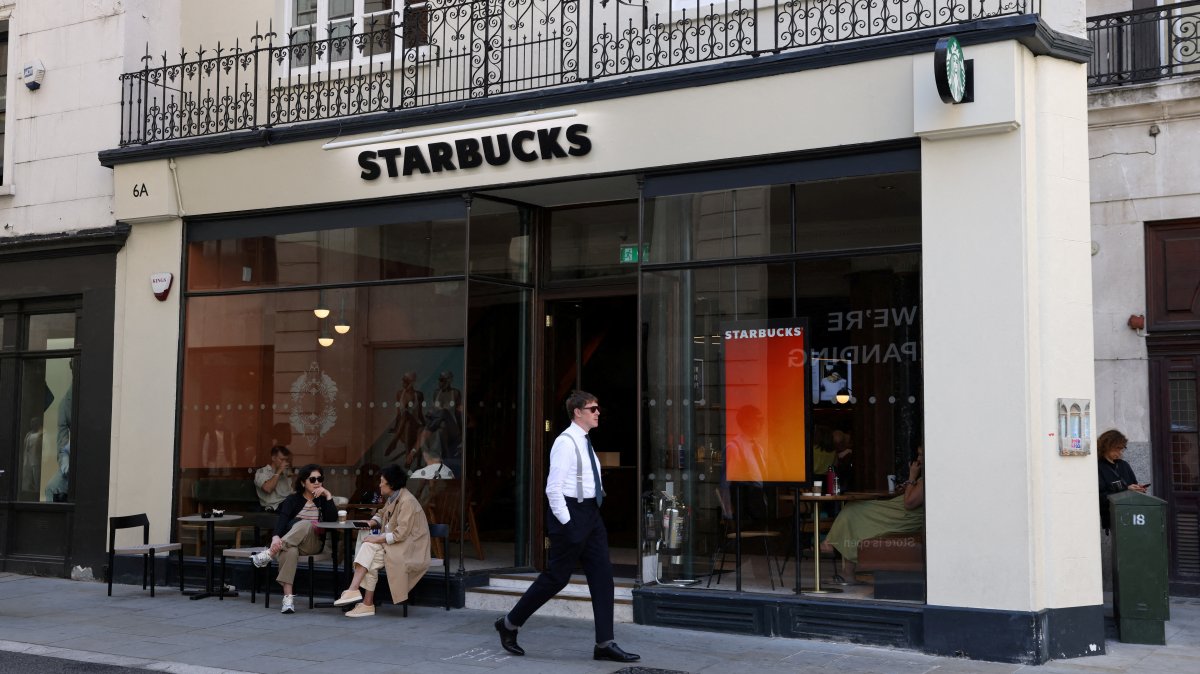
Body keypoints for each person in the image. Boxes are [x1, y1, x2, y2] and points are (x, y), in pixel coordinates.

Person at [494, 390, 639, 663]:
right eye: (593, 408)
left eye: (598, 408)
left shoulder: (584, 441)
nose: (598, 413)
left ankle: (604, 643)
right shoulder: (565, 442)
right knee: (556, 579)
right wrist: (569, 523)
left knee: (603, 578)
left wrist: (589, 517)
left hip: (590, 515)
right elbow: (553, 489)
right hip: (571, 514)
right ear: (578, 412)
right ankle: (510, 624)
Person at [331, 464, 430, 617]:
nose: (379, 484)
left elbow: (400, 534)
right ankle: (362, 599)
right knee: (369, 552)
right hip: (397, 545)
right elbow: (382, 513)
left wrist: (377, 538)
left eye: (382, 481)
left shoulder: (407, 501)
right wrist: (371, 522)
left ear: (391, 484)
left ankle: (358, 596)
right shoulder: (394, 497)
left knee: (370, 549)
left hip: (410, 549)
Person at [251, 464, 339, 614]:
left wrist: (329, 496)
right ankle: (288, 599)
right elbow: (282, 520)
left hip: (313, 543)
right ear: (303, 483)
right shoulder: (292, 500)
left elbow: (332, 522)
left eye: (320, 479)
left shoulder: (323, 501)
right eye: (312, 479)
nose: (317, 482)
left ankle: (269, 554)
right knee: (290, 551)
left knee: (305, 524)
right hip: (292, 543)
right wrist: (275, 537)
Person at [820, 445, 925, 567]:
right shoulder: (923, 478)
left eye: (922, 455)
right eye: (918, 454)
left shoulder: (928, 479)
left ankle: (829, 544)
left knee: (853, 510)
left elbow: (909, 503)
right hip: (897, 510)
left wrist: (912, 477)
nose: (918, 458)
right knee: (852, 509)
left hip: (902, 516)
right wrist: (908, 486)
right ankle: (832, 547)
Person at [1097, 429, 1146, 533]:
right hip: (1113, 517)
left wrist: (1138, 489)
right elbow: (1100, 497)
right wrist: (1126, 489)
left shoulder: (1124, 465)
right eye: (1117, 449)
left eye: (1122, 449)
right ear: (1106, 447)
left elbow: (1133, 483)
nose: (1120, 452)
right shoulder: (1098, 467)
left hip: (1132, 515)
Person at [253, 445, 294, 511]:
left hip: (288, 502)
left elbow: (292, 490)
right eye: (282, 459)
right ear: (273, 458)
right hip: (274, 506)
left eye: (286, 460)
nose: (284, 463)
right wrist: (279, 471)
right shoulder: (262, 472)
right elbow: (268, 489)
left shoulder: (286, 472)